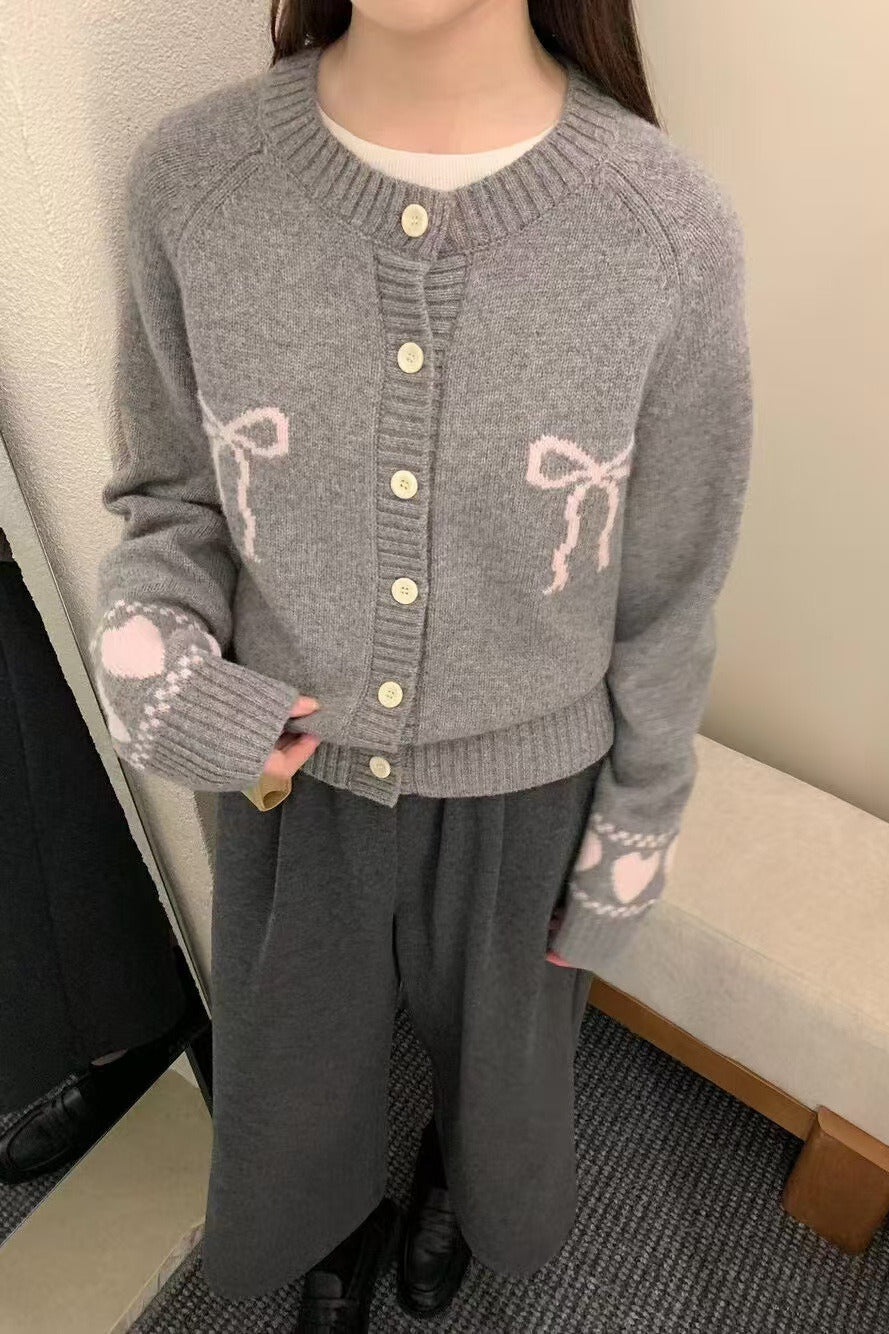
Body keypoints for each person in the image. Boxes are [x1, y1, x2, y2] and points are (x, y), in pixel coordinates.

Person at [89, 1, 754, 1328]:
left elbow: (671, 586)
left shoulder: (666, 228)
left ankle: (456, 1166)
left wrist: (635, 826)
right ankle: (338, 1224)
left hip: (534, 798)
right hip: (291, 785)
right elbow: (168, 502)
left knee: (507, 1082)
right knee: (296, 1075)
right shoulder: (195, 182)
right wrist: (169, 685)